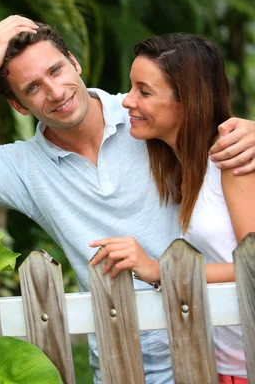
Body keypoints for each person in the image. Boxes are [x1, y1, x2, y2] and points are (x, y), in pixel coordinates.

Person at [0, 16, 255, 384]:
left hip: (210, 350)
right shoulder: (23, 167)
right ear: (19, 105)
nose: (56, 92)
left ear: (74, 62)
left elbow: (205, 119)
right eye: (33, 87)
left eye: (56, 70)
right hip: (120, 358)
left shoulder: (142, 119)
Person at [90, 33, 254, 384]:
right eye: (130, 88)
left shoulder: (233, 160)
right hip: (225, 362)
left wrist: (160, 271)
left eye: (143, 92)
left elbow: (253, 267)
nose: (128, 101)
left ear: (187, 101)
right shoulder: (185, 168)